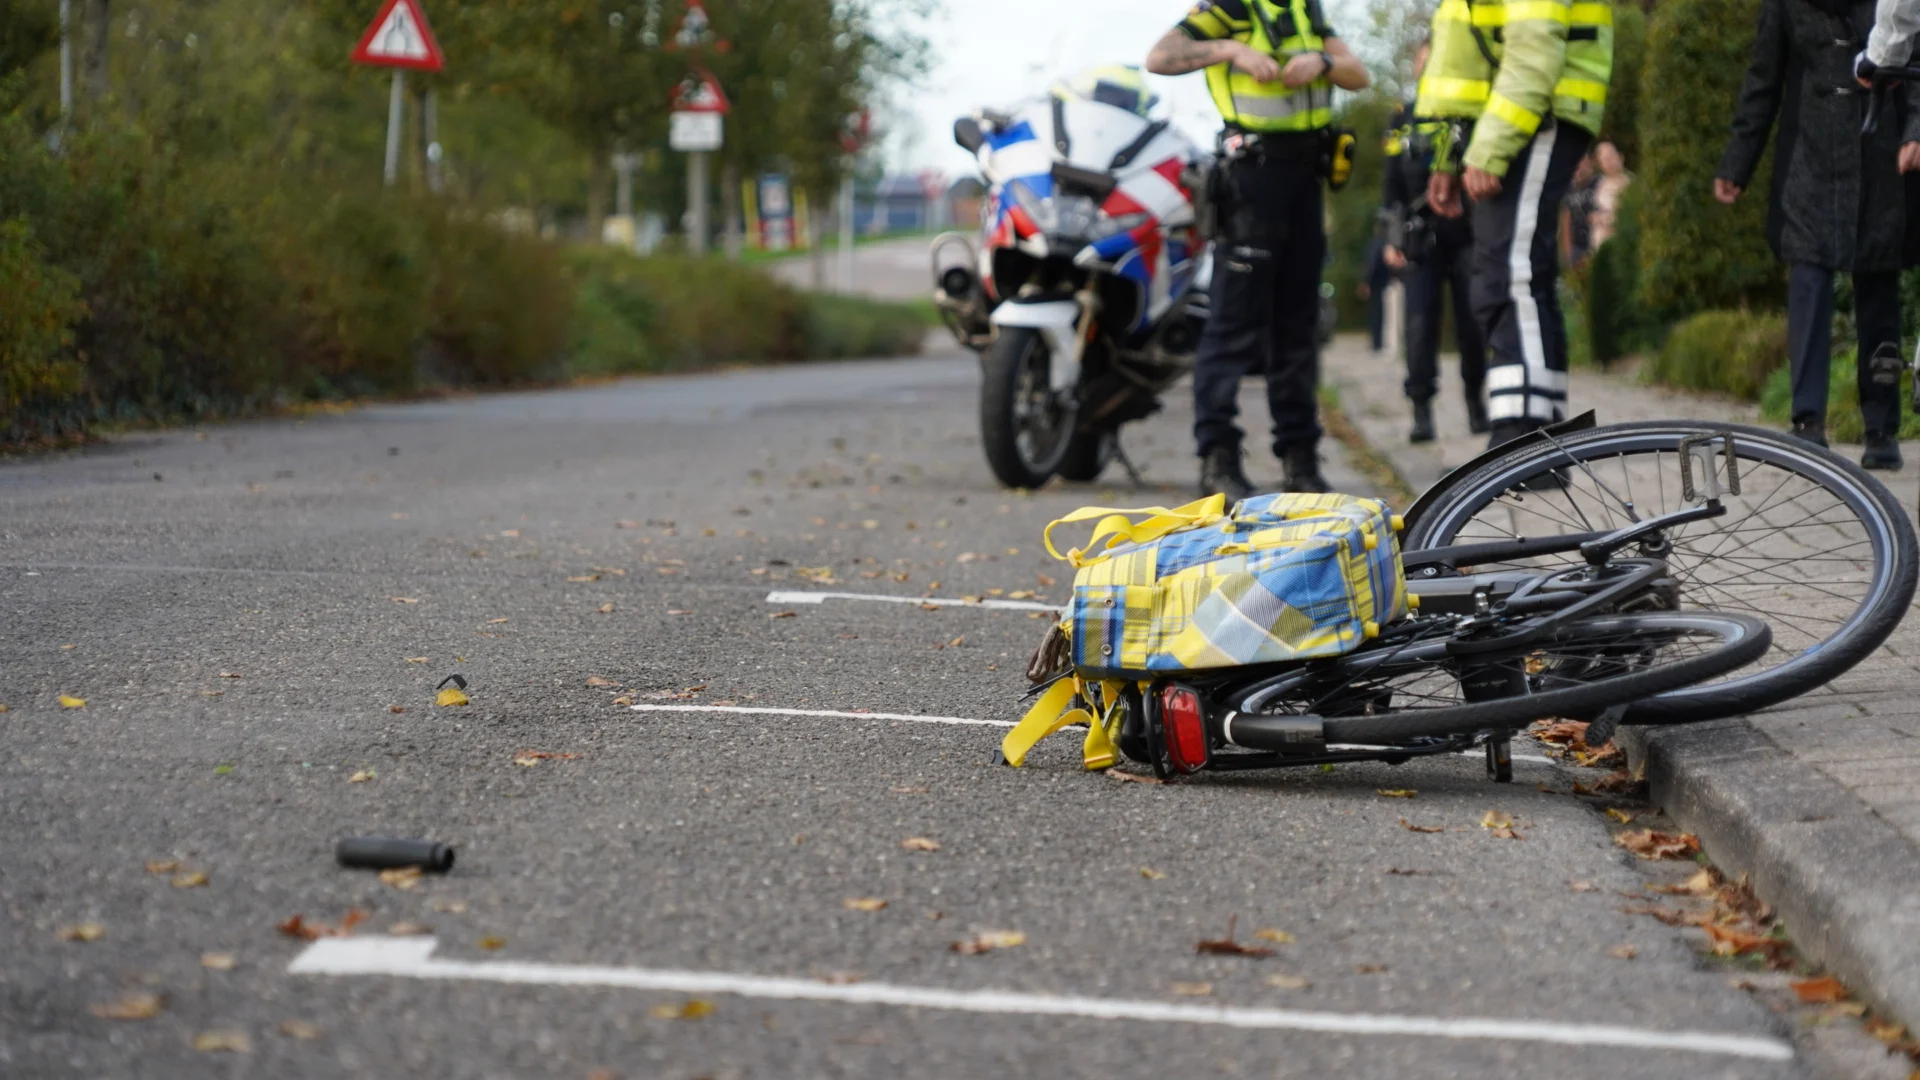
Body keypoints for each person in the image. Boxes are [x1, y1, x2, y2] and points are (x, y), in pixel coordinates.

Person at [1146, 0, 1371, 500]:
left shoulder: (1304, 10)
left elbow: (1359, 74)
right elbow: (1159, 57)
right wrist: (1230, 50)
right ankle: (1218, 461)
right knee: (1233, 327)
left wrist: (1324, 64)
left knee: (1297, 329)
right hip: (1251, 181)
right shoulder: (1229, 8)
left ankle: (1300, 461)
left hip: (1305, 181)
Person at [1719, 0, 1920, 469]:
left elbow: (1912, 53)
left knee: (1877, 285)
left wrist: (1915, 130)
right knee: (1807, 278)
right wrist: (1736, 162)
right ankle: (1807, 422)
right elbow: (1762, 79)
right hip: (1810, 157)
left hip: (1882, 153)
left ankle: (1881, 428)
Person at [1415, 0, 1613, 449]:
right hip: (1515, 120)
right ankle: (1548, 444)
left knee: (1509, 276)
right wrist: (1447, 157)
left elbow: (1532, 54)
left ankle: (1521, 442)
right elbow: (1467, 61)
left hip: (1530, 117)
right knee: (1526, 276)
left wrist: (1489, 148)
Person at [1382, 41, 1488, 444]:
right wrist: (1391, 237)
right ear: (1415, 70)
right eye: (1423, 64)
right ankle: (1421, 411)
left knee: (1473, 324)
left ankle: (1476, 405)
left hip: (1466, 233)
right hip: (1419, 236)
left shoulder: (1465, 113)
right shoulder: (1403, 118)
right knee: (1420, 324)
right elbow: (1390, 182)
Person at [1588, 140, 1632, 248]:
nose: (1609, 163)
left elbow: (1627, 214)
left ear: (1620, 157)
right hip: (1600, 242)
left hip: (1620, 240)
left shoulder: (1628, 183)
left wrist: (1604, 219)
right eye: (1604, 160)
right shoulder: (1600, 184)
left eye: (1611, 157)